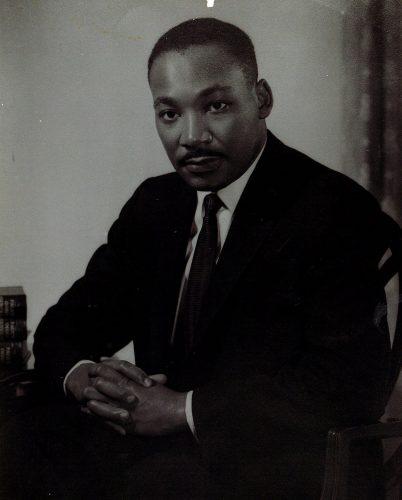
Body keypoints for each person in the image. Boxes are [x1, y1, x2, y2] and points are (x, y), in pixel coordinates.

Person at [0, 17, 392, 500]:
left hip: (274, 463)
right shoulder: (156, 204)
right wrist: (87, 379)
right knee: (18, 438)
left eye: (217, 106)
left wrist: (182, 409)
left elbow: (350, 382)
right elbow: (67, 324)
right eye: (169, 113)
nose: (191, 136)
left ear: (262, 99)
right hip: (159, 457)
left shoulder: (333, 208)